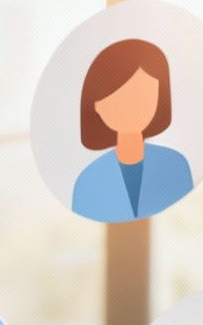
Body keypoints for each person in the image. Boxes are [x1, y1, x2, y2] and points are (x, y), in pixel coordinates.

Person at [70, 38, 195, 222]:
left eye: (142, 95)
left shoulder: (176, 166)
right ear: (96, 105)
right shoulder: (87, 183)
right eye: (119, 98)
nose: (131, 108)